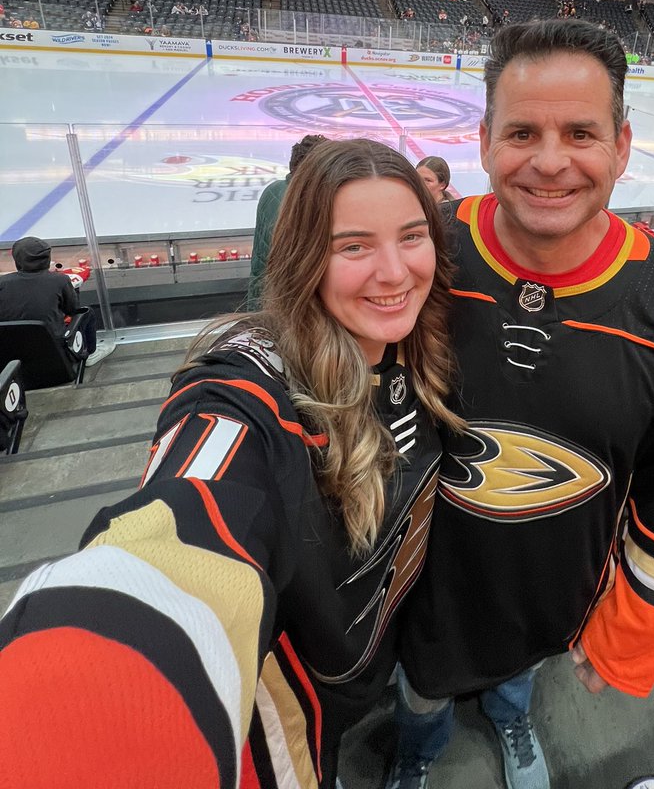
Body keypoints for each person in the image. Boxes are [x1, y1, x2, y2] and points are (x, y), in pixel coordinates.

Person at [0, 140, 461, 787]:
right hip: (306, 704)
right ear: (305, 258)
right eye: (353, 246)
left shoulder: (436, 340)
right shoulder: (249, 390)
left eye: (412, 236)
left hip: (400, 643)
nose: (393, 271)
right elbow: (179, 530)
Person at [386, 18, 654, 789]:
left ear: (622, 142)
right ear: (483, 141)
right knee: (418, 692)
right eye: (522, 133)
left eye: (580, 132)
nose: (550, 163)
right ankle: (415, 752)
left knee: (521, 675)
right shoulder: (420, 254)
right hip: (418, 589)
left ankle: (510, 717)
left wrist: (634, 635)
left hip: (555, 589)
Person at [247, 134, 327, 309]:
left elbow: (260, 260)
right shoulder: (318, 200)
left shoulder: (271, 191)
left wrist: (253, 312)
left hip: (268, 298)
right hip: (301, 306)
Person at [0, 236, 108, 366]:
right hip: (57, 361)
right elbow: (72, 310)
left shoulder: (2, 283)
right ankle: (90, 353)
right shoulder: (59, 280)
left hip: (13, 361)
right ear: (47, 259)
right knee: (87, 312)